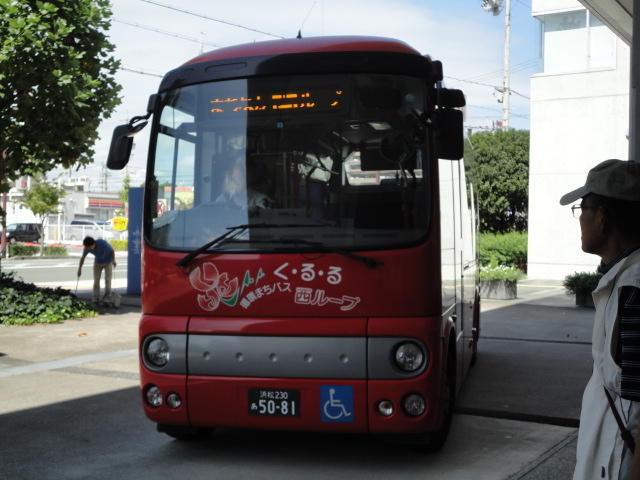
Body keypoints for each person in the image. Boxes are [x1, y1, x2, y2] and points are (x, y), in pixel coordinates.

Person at [560, 159, 640, 480]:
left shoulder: (633, 289)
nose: (580, 219)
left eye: (582, 208)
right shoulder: (621, 279)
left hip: (620, 463)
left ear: (603, 217)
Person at [77, 236, 116, 304]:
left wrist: (113, 260)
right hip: (97, 263)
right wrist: (79, 269)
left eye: (89, 247)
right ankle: (96, 297)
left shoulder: (102, 243)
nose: (88, 249)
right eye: (87, 247)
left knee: (108, 280)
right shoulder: (87, 248)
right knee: (96, 280)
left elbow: (112, 251)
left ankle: (107, 298)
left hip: (108, 262)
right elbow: (83, 258)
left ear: (93, 244)